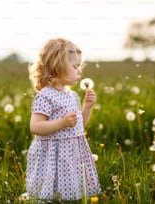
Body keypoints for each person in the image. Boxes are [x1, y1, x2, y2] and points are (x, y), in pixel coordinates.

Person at [26, 37, 101, 201]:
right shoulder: (45, 96)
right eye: (75, 66)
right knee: (51, 191)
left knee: (71, 191)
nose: (79, 71)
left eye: (79, 66)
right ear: (56, 66)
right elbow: (36, 127)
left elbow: (78, 126)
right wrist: (61, 123)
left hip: (71, 152)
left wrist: (87, 108)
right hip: (52, 154)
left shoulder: (72, 95)